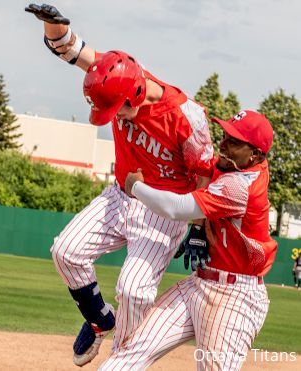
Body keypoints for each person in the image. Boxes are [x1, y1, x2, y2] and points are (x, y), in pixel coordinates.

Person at [25, 3, 215, 367]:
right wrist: (55, 27)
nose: (113, 119)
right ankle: (99, 320)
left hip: (163, 208)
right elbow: (71, 49)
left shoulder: (186, 117)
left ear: (137, 95)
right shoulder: (116, 74)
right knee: (66, 251)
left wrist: (198, 229)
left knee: (135, 289)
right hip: (121, 194)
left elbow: (204, 174)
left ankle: (123, 359)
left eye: (116, 111)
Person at [100, 110, 277, 370]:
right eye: (226, 136)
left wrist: (135, 187)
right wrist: (197, 227)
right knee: (131, 351)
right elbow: (201, 175)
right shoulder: (234, 165)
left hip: (235, 297)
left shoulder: (241, 185)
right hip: (200, 282)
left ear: (256, 156)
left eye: (235, 141)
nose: (225, 145)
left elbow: (177, 207)